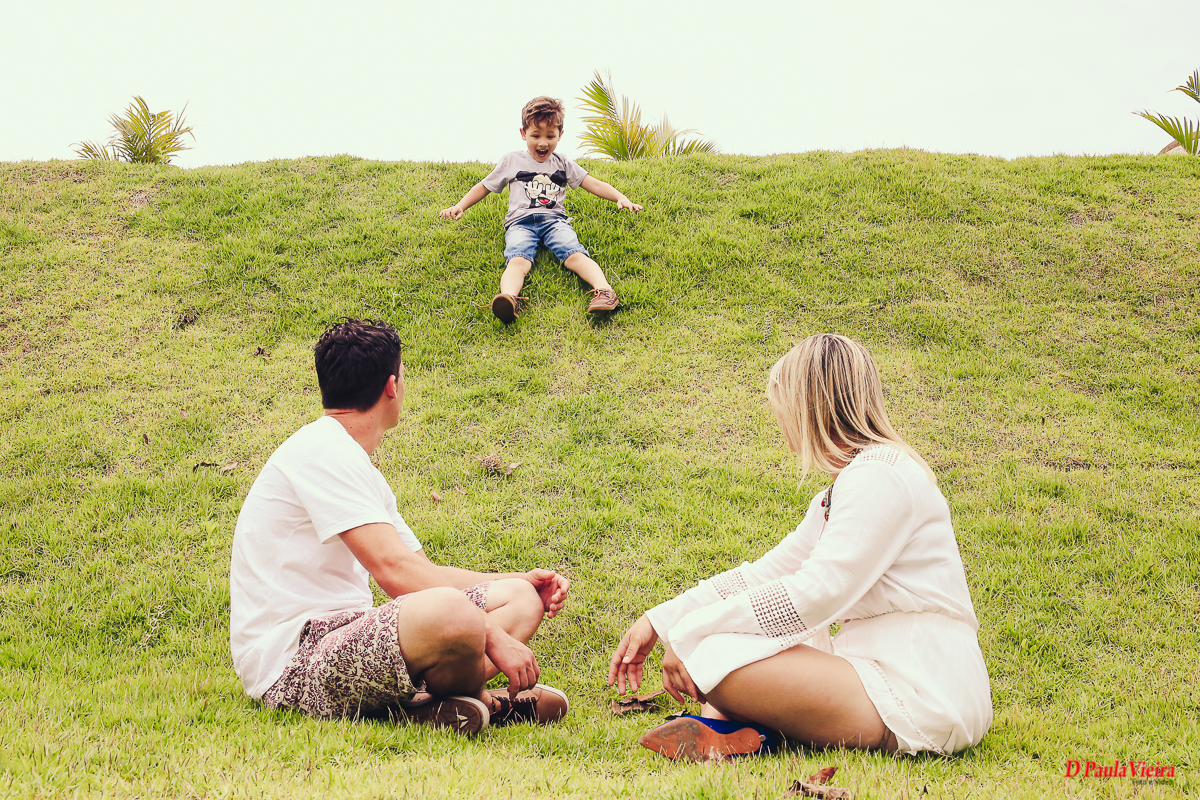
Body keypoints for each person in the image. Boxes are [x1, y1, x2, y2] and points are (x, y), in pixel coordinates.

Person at [608, 333, 992, 760]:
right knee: (715, 644)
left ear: (809, 407)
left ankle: (734, 725)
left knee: (712, 650)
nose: (781, 424)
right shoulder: (844, 489)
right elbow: (764, 575)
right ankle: (739, 732)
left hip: (922, 687)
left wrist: (693, 633)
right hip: (869, 670)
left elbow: (817, 591)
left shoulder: (881, 476)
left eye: (783, 407)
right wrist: (659, 621)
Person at [230, 319, 571, 734]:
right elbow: (394, 573)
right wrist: (490, 634)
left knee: (518, 599)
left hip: (348, 637)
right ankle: (473, 702)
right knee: (451, 610)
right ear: (392, 385)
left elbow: (424, 573)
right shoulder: (322, 452)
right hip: (296, 664)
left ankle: (435, 705)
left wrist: (520, 579)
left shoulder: (355, 465)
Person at [438, 96, 643, 324]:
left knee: (574, 254)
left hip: (555, 221)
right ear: (523, 133)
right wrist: (460, 205)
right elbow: (484, 186)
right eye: (536, 135)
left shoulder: (562, 163)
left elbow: (592, 183)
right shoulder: (512, 161)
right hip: (520, 223)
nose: (542, 143)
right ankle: (509, 299)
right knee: (518, 260)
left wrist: (620, 196)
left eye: (550, 136)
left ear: (560, 136)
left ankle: (604, 291)